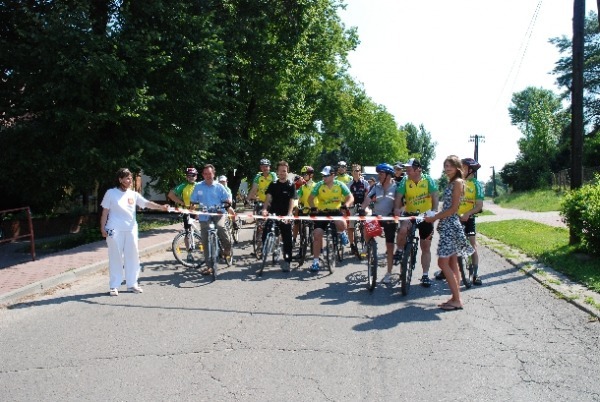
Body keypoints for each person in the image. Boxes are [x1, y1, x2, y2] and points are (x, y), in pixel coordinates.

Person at [100, 168, 169, 296]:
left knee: (132, 256)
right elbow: (105, 212)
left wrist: (161, 207)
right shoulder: (111, 193)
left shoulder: (133, 194)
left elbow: (147, 203)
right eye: (127, 178)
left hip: (131, 230)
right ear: (120, 179)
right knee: (116, 257)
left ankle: (132, 284)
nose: (130, 180)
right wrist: (103, 228)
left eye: (131, 177)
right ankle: (114, 285)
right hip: (115, 230)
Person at [424, 156, 474, 310]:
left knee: (442, 263)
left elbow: (452, 209)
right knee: (452, 263)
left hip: (450, 227)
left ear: (457, 167)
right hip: (448, 225)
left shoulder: (458, 182)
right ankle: (455, 297)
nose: (447, 169)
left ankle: (457, 300)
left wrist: (434, 217)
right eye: (445, 166)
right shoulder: (451, 182)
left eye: (450, 166)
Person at [435, 158, 484, 285]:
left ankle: (475, 274)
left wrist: (468, 213)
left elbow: (479, 206)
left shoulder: (476, 185)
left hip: (468, 218)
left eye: (463, 167)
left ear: (471, 170)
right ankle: (445, 270)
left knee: (472, 245)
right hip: (454, 217)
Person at [393, 158, 439, 287]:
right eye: (406, 168)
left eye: (409, 168)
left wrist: (434, 211)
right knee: (402, 230)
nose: (406, 170)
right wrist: (397, 208)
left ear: (418, 169)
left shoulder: (428, 179)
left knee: (425, 246)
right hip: (410, 213)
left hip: (425, 216)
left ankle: (425, 275)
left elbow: (435, 196)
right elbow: (398, 197)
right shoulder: (405, 180)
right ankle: (401, 250)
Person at [308, 166, 353, 272]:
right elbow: (310, 198)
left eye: (326, 176)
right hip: (322, 212)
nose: (324, 178)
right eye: (323, 175)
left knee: (341, 223)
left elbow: (350, 197)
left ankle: (342, 233)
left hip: (335, 211)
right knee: (317, 234)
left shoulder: (340, 185)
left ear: (333, 175)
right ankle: (315, 262)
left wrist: (346, 204)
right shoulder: (319, 185)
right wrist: (313, 208)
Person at [190, 164, 233, 276]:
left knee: (220, 227)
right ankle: (209, 266)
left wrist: (226, 206)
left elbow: (228, 200)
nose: (208, 176)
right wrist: (193, 211)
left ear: (214, 174)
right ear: (203, 175)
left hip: (218, 213)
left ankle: (227, 249)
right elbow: (193, 202)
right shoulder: (198, 186)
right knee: (205, 240)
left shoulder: (219, 186)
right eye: (206, 174)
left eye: (210, 173)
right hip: (204, 216)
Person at [360, 163, 397, 282]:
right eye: (378, 174)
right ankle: (368, 244)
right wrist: (362, 208)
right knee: (367, 226)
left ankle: (389, 273)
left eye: (381, 174)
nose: (379, 176)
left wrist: (397, 212)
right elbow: (367, 199)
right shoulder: (376, 186)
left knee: (390, 246)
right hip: (377, 215)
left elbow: (402, 204)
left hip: (390, 218)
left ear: (388, 175)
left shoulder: (397, 187)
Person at [261, 161, 297, 271]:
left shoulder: (291, 185)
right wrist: (264, 209)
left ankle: (287, 260)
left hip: (285, 214)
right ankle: (271, 249)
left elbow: (292, 200)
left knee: (287, 238)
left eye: (284, 171)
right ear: (277, 172)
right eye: (280, 171)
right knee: (265, 233)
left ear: (287, 172)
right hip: (273, 213)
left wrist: (289, 214)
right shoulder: (273, 184)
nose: (282, 173)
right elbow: (268, 198)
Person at [348, 163, 370, 257]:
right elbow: (348, 197)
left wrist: (364, 206)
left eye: (358, 170)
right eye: (354, 171)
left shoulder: (365, 183)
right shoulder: (349, 184)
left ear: (360, 172)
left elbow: (368, 195)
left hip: (363, 204)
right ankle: (352, 245)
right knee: (351, 225)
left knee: (367, 222)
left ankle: (367, 243)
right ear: (352, 173)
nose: (356, 172)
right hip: (353, 205)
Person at [167, 167, 198, 234]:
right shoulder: (183, 185)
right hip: (188, 211)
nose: (191, 177)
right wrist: (182, 203)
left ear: (196, 176)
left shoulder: (200, 185)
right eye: (188, 175)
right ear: (186, 177)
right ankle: (189, 244)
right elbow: (170, 195)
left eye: (193, 175)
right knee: (188, 232)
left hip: (200, 211)